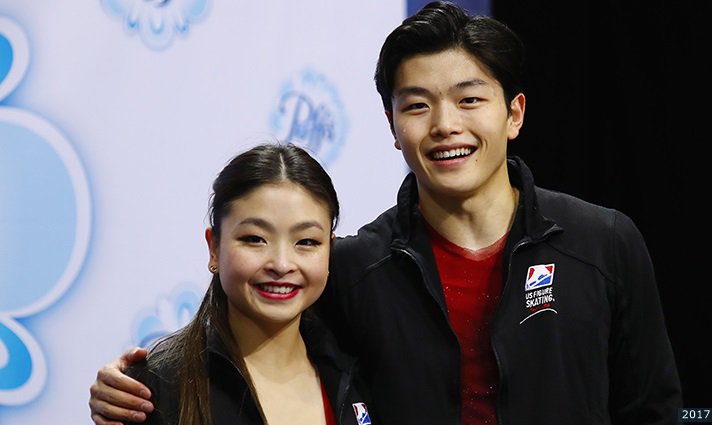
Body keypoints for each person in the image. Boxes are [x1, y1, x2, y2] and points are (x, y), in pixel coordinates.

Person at [89, 2, 682, 424]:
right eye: (417, 105)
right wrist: (140, 382)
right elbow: (254, 349)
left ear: (514, 114)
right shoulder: (353, 268)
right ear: (394, 130)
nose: (446, 125)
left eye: (470, 99)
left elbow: (650, 410)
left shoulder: (602, 243)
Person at [102, 143, 374, 425]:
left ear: (329, 250)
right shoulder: (151, 390)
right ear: (214, 248)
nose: (281, 264)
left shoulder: (362, 370)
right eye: (255, 239)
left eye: (306, 242)